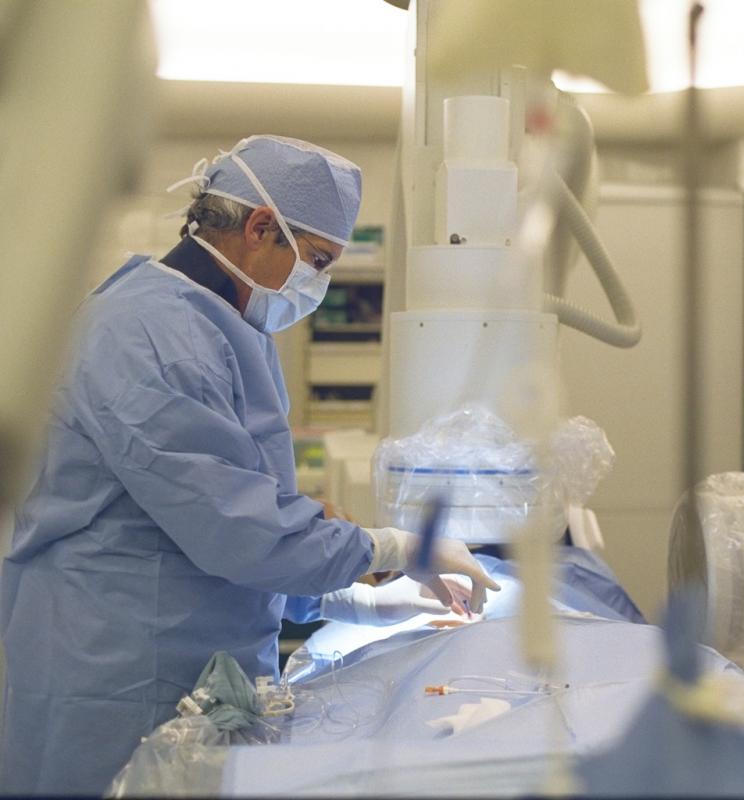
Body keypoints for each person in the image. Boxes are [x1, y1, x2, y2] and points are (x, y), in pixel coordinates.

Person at [0, 135, 500, 796]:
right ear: (261, 227)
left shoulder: (219, 327)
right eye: (317, 260)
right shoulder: (147, 332)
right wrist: (395, 547)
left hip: (184, 664)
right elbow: (231, 523)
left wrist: (349, 597)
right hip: (119, 680)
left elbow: (220, 512)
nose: (316, 284)